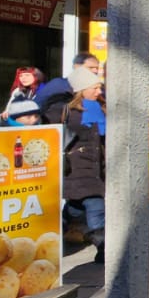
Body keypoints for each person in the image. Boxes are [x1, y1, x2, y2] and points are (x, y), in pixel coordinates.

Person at [44, 66, 109, 263]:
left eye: (100, 87)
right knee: (95, 209)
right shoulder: (65, 111)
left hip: (96, 169)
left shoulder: (103, 108)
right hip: (76, 169)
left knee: (74, 209)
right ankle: (104, 249)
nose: (99, 91)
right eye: (94, 88)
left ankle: (52, 235)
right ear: (81, 89)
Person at [34, 53, 100, 113]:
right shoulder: (59, 84)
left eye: (97, 68)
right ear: (76, 67)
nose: (95, 71)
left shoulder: (97, 89)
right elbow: (37, 106)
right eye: (90, 67)